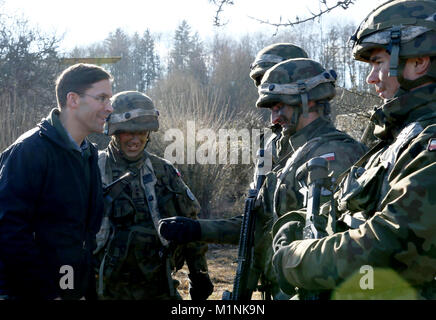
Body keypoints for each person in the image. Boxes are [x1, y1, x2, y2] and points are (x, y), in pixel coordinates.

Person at [159, 52, 367, 299]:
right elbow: (256, 224)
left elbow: (340, 246)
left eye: (280, 107)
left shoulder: (337, 154)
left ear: (309, 101)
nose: (274, 118)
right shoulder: (293, 155)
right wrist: (198, 229)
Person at [272, 0, 436, 300]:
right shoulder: (393, 141)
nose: (370, 78)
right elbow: (342, 207)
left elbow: (388, 243)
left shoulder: (428, 141)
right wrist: (297, 224)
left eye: (377, 62)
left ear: (418, 61)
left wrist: (293, 260)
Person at [0, 63, 113, 300]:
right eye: (102, 98)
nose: (109, 108)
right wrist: (50, 293)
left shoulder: (89, 154)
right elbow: (9, 232)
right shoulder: (29, 151)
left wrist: (77, 290)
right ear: (73, 99)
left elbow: (79, 238)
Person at [95, 90, 213, 300]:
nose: (135, 139)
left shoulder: (163, 171)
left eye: (142, 132)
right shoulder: (93, 170)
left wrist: (199, 274)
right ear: (113, 131)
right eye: (128, 132)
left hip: (157, 286)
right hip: (103, 288)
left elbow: (191, 225)